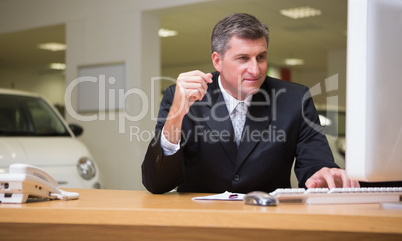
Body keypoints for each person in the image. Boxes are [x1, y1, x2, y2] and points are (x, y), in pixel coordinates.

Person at [142, 13, 359, 194]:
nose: (255, 70)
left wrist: (322, 173)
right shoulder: (181, 96)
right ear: (217, 61)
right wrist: (176, 115)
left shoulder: (295, 99)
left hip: (268, 220)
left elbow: (315, 162)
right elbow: (157, 184)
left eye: (261, 57)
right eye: (243, 58)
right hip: (200, 221)